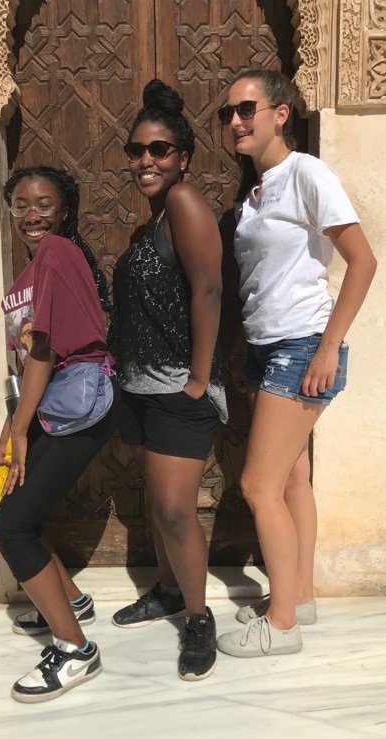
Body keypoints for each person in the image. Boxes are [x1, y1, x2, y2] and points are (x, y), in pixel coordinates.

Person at [215, 70, 377, 658]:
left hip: (302, 345)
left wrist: (330, 346)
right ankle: (299, 595)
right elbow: (262, 284)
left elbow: (362, 260)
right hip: (266, 349)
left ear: (281, 113)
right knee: (290, 479)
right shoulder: (255, 196)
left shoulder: (308, 173)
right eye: (229, 113)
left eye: (247, 109)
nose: (236, 121)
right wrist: (244, 350)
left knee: (257, 485)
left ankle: (281, 625)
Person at [110, 80, 228, 681]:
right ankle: (166, 589)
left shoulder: (184, 201)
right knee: (159, 505)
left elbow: (208, 290)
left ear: (183, 156)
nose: (145, 160)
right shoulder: (148, 226)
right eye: (136, 150)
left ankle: (200, 618)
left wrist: (200, 379)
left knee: (177, 511)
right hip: (143, 387)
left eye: (159, 149)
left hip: (181, 387)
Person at [0, 166, 120, 702]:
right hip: (50, 403)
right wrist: (9, 432)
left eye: (44, 204)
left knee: (12, 525)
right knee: (18, 507)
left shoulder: (57, 252)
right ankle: (73, 605)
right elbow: (25, 363)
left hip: (76, 402)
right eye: (20, 205)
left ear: (64, 210)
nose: (32, 214)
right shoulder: (34, 267)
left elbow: (44, 349)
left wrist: (20, 431)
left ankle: (75, 650)